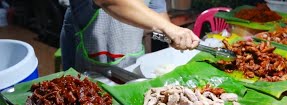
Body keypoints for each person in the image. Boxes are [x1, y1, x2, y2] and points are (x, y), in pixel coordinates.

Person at [60, 0, 199, 72]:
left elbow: (159, 15)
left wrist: (172, 36)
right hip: (87, 65)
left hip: (129, 61)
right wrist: (168, 27)